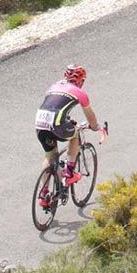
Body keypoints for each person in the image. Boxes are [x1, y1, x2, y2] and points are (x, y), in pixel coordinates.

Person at [34, 64, 101, 207]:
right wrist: (95, 127)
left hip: (40, 123)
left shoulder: (53, 87)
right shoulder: (79, 92)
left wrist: (67, 121)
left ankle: (44, 194)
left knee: (50, 156)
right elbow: (90, 116)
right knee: (75, 134)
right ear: (81, 80)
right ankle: (69, 172)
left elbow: (55, 105)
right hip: (56, 123)